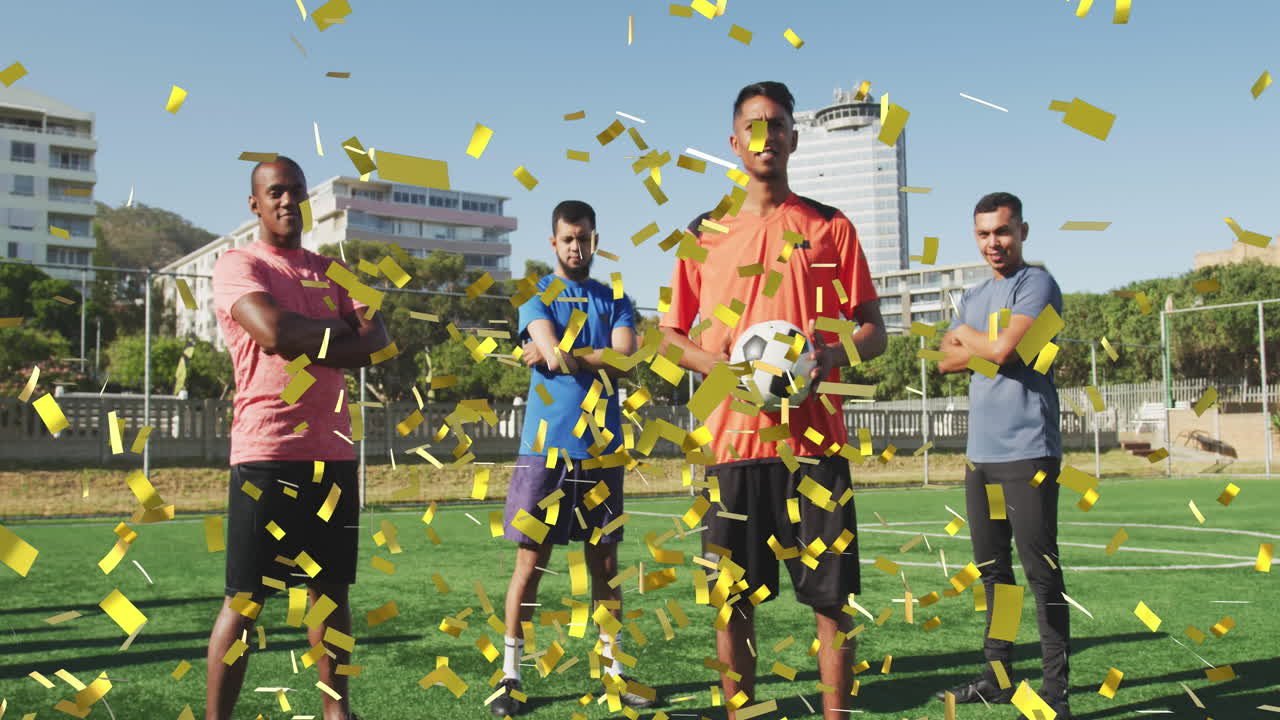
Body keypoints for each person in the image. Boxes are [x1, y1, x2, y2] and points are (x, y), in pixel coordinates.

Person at [659, 81, 887, 720]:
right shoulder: (700, 233)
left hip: (813, 448)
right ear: (734, 142)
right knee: (733, 605)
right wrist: (725, 371)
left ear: (794, 136)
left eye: (779, 124)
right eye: (754, 126)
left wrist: (829, 355)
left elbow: (875, 331)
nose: (767, 136)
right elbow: (669, 336)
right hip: (732, 447)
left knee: (832, 604)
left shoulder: (831, 227)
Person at [208, 156, 388, 720]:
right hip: (268, 454)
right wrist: (338, 332)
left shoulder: (336, 270)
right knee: (246, 600)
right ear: (255, 204)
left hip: (333, 454)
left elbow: (378, 344)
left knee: (331, 595)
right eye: (276, 192)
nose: (288, 202)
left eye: (297, 192)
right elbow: (272, 332)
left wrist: (308, 335)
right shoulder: (237, 262)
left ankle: (337, 715)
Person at [492, 200, 655, 717]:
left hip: (603, 452)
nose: (577, 247)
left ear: (595, 239)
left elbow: (624, 358)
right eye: (568, 239)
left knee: (605, 568)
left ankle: (613, 674)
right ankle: (511, 675)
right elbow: (551, 350)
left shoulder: (617, 298)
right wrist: (582, 356)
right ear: (553, 242)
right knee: (531, 566)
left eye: (584, 238)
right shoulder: (534, 295)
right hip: (545, 451)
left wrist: (568, 355)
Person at [935, 192, 1070, 719]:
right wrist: (982, 346)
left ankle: (1057, 693)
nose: (994, 242)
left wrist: (972, 341)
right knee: (996, 574)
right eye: (984, 233)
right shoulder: (975, 295)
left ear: (1023, 231)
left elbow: (1001, 352)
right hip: (981, 457)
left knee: (1042, 574)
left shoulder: (1038, 284)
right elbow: (947, 363)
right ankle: (998, 677)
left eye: (1003, 231)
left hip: (1028, 453)